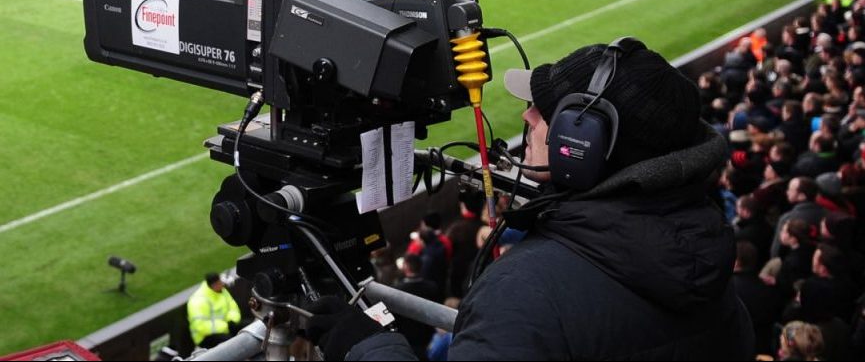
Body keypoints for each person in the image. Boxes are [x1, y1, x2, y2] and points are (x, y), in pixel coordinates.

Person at [303, 38, 755, 360]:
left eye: (546, 111)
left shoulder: (525, 293)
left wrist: (370, 347)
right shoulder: (708, 252)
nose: (528, 115)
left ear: (584, 144)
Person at [186, 271, 241, 349]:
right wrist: (225, 326)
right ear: (214, 285)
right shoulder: (198, 301)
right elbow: (200, 326)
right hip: (205, 337)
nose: (222, 284)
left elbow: (232, 306)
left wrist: (232, 320)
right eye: (219, 283)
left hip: (226, 327)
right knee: (232, 343)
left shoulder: (222, 291)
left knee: (247, 328)